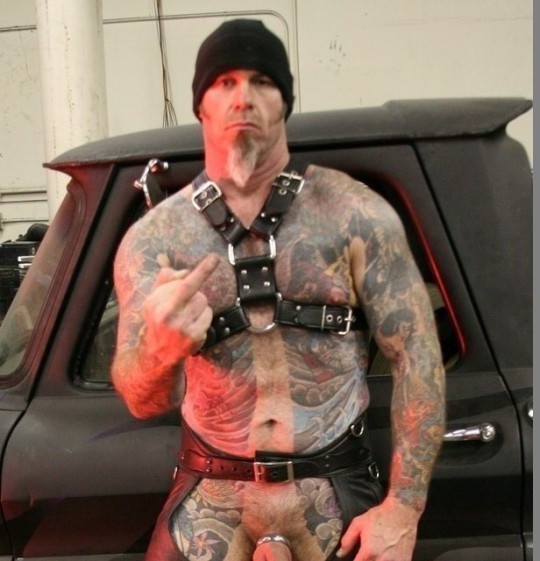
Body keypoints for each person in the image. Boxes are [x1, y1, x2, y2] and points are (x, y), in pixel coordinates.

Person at [112, 18, 445, 561]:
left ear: (285, 102)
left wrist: (404, 509)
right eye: (224, 82)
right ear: (200, 105)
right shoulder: (156, 239)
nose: (243, 96)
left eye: (262, 82)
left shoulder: (354, 213)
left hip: (334, 491)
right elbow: (139, 396)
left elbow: (418, 356)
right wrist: (160, 350)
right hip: (210, 498)